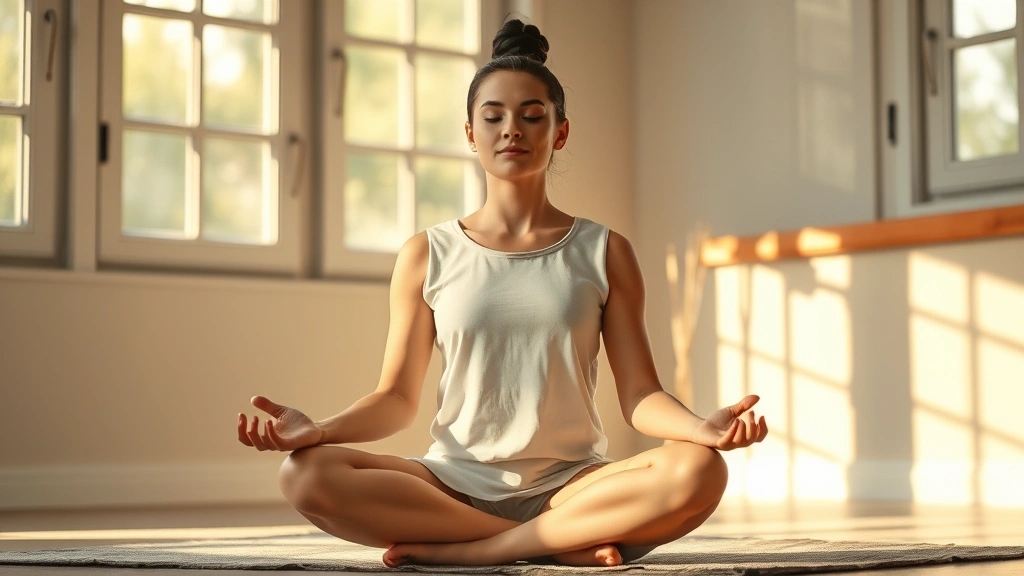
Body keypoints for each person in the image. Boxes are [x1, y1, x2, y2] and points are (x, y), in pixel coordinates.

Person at [237, 19, 768, 568]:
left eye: (532, 116)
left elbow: (640, 395)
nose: (511, 130)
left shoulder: (605, 251)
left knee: (700, 468)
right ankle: (556, 544)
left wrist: (700, 428)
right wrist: (319, 429)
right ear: (471, 133)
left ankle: (481, 551)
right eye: (493, 117)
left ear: (560, 132)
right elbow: (394, 399)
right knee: (305, 473)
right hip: (451, 485)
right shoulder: (426, 253)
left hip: (573, 486)